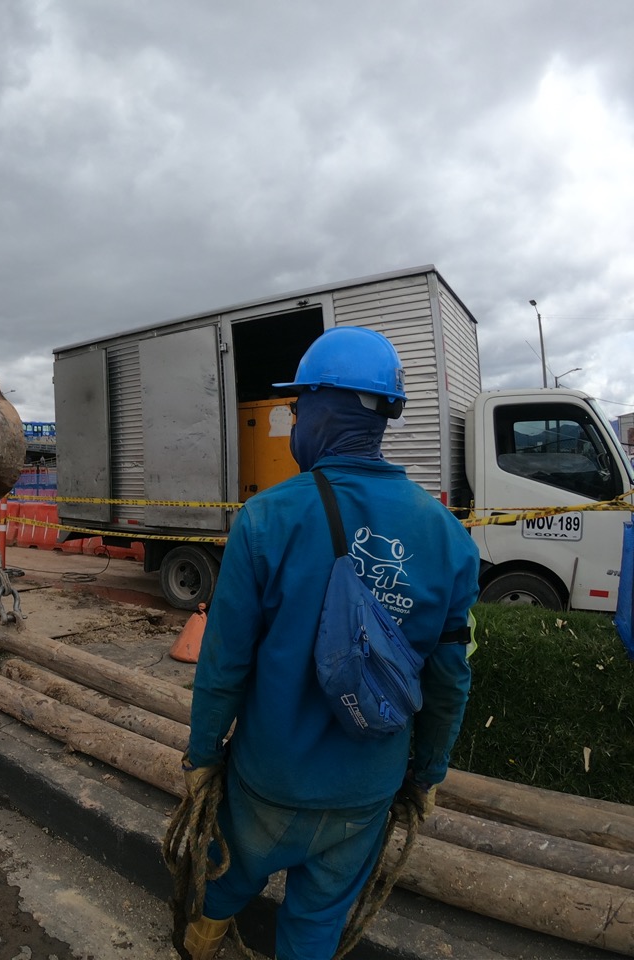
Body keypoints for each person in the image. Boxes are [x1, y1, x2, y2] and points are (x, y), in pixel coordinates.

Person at [181, 328, 479, 960]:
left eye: (295, 410)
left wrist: (203, 755)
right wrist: (426, 775)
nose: (292, 424)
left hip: (268, 782)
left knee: (225, 878)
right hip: (365, 792)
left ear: (317, 408)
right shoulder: (448, 537)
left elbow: (224, 662)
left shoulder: (266, 520)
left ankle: (198, 945)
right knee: (316, 922)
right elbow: (449, 680)